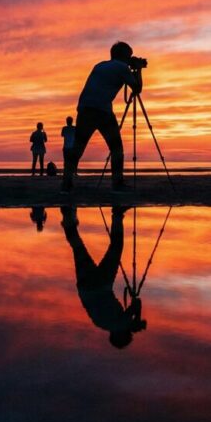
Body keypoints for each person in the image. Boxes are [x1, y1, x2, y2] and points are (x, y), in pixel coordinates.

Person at [62, 41, 144, 193]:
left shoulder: (99, 65)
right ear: (124, 55)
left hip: (84, 109)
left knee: (78, 148)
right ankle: (117, 184)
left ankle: (66, 183)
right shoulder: (122, 67)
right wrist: (138, 69)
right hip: (102, 111)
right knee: (116, 148)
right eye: (129, 55)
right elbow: (137, 88)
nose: (130, 59)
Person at [61, 206, 146, 348]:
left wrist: (137, 319)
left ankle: (117, 214)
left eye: (128, 334)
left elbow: (136, 304)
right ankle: (68, 216)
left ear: (121, 335)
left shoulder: (119, 325)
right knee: (78, 248)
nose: (128, 332)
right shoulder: (100, 323)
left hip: (101, 285)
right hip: (84, 287)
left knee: (116, 247)